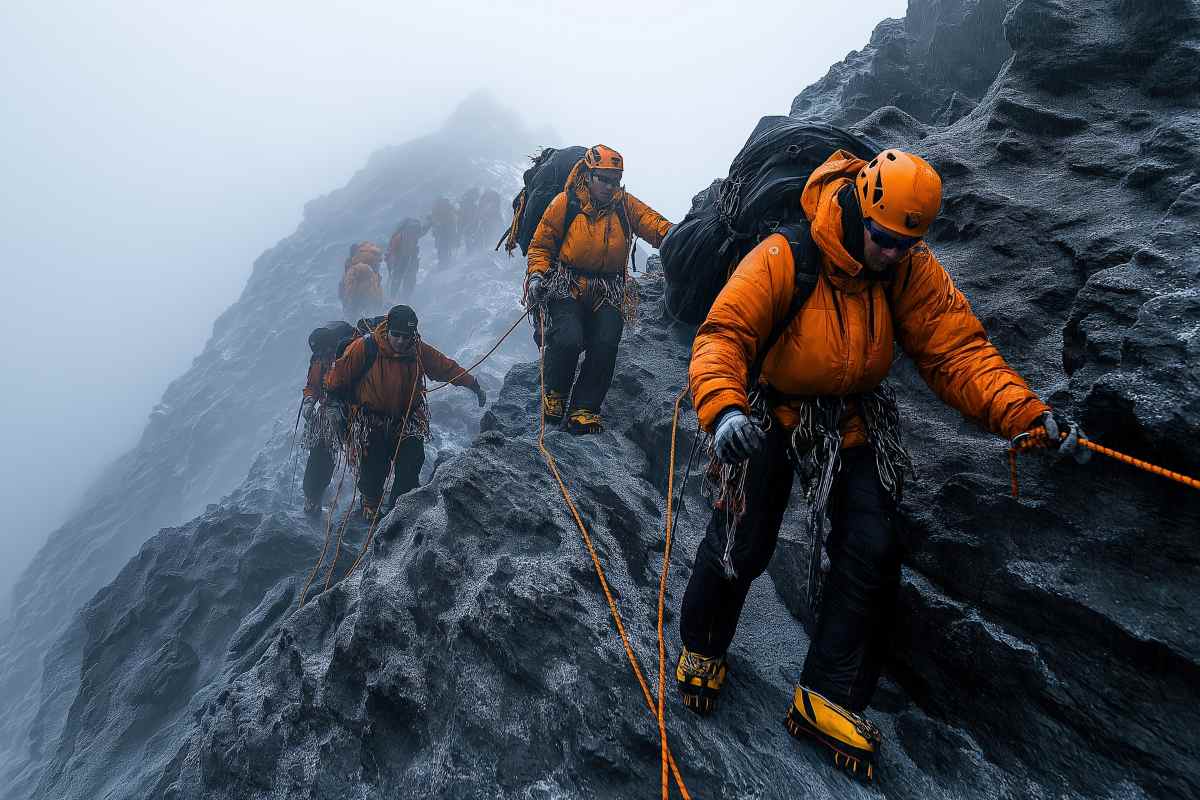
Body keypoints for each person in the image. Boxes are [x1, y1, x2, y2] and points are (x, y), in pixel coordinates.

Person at [676, 149, 1089, 781]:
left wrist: (1023, 413)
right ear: (861, 209)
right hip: (770, 410)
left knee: (873, 545)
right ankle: (702, 645)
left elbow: (956, 350)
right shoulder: (786, 256)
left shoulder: (907, 268)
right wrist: (725, 409)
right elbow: (724, 336)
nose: (893, 253)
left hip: (851, 415)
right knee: (745, 534)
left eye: (907, 243)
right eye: (885, 239)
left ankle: (827, 695)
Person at [523, 144, 673, 434]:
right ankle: (555, 392)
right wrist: (537, 275)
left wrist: (675, 235)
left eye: (615, 180)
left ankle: (584, 409)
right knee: (567, 338)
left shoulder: (624, 205)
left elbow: (651, 222)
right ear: (589, 175)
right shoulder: (565, 203)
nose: (609, 186)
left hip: (608, 288)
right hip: (566, 283)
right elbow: (541, 245)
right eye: (603, 179)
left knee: (605, 343)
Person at [324, 304, 486, 518]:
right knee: (373, 466)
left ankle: (399, 509)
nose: (401, 341)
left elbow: (445, 367)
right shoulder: (364, 347)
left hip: (407, 419)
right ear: (387, 330)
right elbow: (339, 376)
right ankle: (370, 503)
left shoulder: (418, 350)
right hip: (370, 420)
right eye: (397, 335)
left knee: (412, 461)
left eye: (406, 336)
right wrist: (333, 403)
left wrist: (472, 384)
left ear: (413, 335)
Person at [299, 323, 354, 514]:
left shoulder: (350, 356)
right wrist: (309, 400)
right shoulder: (319, 360)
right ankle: (313, 496)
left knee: (358, 452)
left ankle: (367, 496)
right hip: (329, 413)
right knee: (321, 452)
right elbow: (313, 385)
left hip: (354, 411)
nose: (322, 355)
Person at [340, 242, 384, 320]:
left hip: (358, 297)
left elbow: (349, 286)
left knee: (355, 318)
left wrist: (348, 301)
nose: (378, 265)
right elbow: (376, 287)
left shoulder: (354, 267)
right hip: (369, 298)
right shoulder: (370, 269)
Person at [386, 218, 429, 298]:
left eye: (415, 230)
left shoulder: (412, 233)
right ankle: (395, 297)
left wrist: (429, 223)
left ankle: (402, 296)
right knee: (400, 277)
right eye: (412, 229)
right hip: (401, 259)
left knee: (406, 277)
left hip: (408, 259)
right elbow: (391, 250)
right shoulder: (400, 237)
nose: (413, 232)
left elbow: (423, 231)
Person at [431, 197, 458, 266]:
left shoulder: (436, 209)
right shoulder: (449, 207)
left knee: (441, 248)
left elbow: (434, 220)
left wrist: (434, 231)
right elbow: (455, 216)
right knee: (447, 247)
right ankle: (447, 262)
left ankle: (442, 263)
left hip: (440, 232)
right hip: (448, 231)